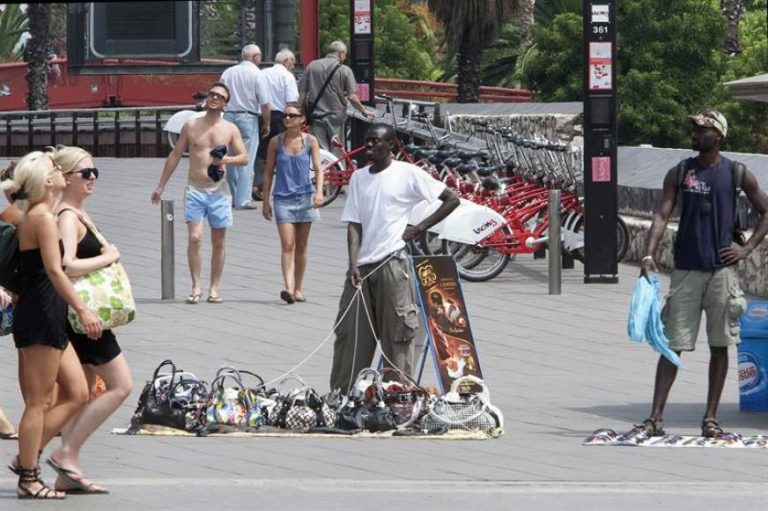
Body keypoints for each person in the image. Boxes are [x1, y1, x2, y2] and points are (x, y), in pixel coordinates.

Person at [637, 110, 768, 438]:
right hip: (686, 271)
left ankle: (710, 418)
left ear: (719, 136)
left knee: (720, 345)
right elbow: (660, 214)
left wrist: (746, 248)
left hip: (722, 273)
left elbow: (766, 211)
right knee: (672, 345)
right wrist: (649, 254)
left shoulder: (737, 174)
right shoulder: (680, 172)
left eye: (703, 130)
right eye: (694, 129)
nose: (696, 135)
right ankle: (655, 418)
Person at [329, 123, 459, 394]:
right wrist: (353, 264)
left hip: (393, 262)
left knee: (397, 335)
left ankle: (396, 395)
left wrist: (419, 228)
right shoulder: (359, 178)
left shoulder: (407, 173)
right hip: (362, 268)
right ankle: (342, 395)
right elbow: (354, 224)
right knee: (351, 334)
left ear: (391, 145)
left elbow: (450, 199)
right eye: (367, 141)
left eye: (377, 141)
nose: (370, 146)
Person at [1, 150, 101, 499]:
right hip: (41, 314)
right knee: (39, 402)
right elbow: (56, 271)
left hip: (47, 313)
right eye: (56, 169)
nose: (61, 173)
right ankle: (29, 477)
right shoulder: (41, 217)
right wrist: (83, 310)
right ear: (46, 181)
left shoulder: (40, 214)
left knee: (78, 392)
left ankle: (27, 456)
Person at [48, 145, 133, 494]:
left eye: (96, 172)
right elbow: (65, 265)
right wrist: (108, 256)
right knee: (121, 386)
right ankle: (65, 453)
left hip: (80, 315)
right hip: (85, 317)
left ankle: (66, 471)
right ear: (67, 177)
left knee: (80, 394)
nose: (92, 178)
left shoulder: (73, 212)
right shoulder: (68, 216)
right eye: (85, 173)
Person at [151, 82, 248, 304]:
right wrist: (161, 185)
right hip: (195, 188)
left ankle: (214, 287)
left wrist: (226, 159)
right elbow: (175, 155)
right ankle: (196, 285)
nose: (214, 98)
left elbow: (244, 157)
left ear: (225, 103)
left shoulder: (230, 129)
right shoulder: (191, 125)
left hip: (219, 191)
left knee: (218, 242)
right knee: (195, 237)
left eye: (219, 96)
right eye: (212, 94)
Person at [261, 103, 324, 304]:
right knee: (288, 244)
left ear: (302, 119)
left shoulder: (311, 141)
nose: (287, 118)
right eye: (285, 115)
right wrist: (265, 200)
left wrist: (320, 191)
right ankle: (288, 287)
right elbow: (268, 171)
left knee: (302, 245)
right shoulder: (275, 142)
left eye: (292, 115)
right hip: (283, 198)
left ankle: (299, 287)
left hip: (305, 196)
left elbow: (318, 168)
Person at [298, 40, 376, 153]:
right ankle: (335, 169)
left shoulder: (312, 66)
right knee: (337, 152)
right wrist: (363, 110)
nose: (344, 58)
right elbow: (352, 97)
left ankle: (320, 170)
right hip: (336, 118)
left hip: (316, 117)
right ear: (340, 53)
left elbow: (303, 93)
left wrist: (299, 112)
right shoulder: (344, 70)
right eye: (344, 55)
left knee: (318, 152)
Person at [220, 44, 272, 208]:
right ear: (255, 57)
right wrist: (267, 122)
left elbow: (220, 95)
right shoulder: (257, 74)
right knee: (246, 158)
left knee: (230, 157)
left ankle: (234, 196)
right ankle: (243, 200)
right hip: (247, 117)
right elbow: (265, 103)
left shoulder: (228, 72)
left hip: (228, 116)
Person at [258, 48, 300, 166]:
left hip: (261, 116)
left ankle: (259, 182)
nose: (293, 66)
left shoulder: (262, 73)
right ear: (286, 61)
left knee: (262, 151)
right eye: (293, 63)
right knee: (282, 150)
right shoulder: (287, 76)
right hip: (280, 118)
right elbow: (291, 102)